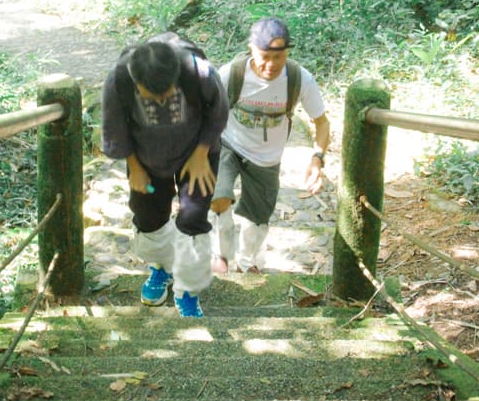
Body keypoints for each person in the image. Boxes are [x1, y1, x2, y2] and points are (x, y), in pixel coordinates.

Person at [100, 34, 228, 317]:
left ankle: (189, 289)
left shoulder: (198, 71)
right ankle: (161, 268)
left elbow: (219, 112)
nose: (160, 100)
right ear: (137, 83)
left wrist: (201, 154)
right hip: (146, 160)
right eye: (152, 95)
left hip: (196, 155)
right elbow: (115, 127)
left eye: (167, 94)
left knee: (193, 218)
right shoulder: (119, 80)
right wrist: (134, 166)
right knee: (148, 217)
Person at [210, 17, 330, 273]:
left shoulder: (300, 79)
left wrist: (317, 159)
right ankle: (221, 253)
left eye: (279, 57)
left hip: (267, 158)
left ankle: (249, 261)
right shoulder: (231, 73)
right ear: (251, 49)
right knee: (218, 198)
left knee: (258, 216)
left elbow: (321, 122)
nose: (271, 65)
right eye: (265, 56)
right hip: (227, 144)